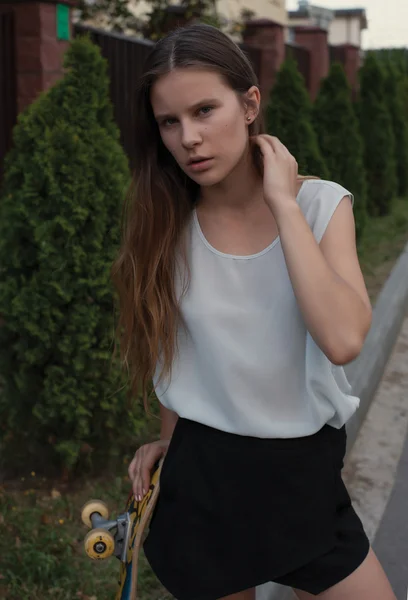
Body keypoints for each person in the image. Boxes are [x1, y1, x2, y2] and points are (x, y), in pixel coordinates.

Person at [112, 23, 396, 600]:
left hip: (301, 478)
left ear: (249, 104)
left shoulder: (319, 205)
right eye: (170, 121)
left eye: (204, 110)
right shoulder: (166, 223)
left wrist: (282, 206)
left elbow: (343, 339)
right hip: (204, 476)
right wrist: (173, 446)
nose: (189, 137)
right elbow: (179, 357)